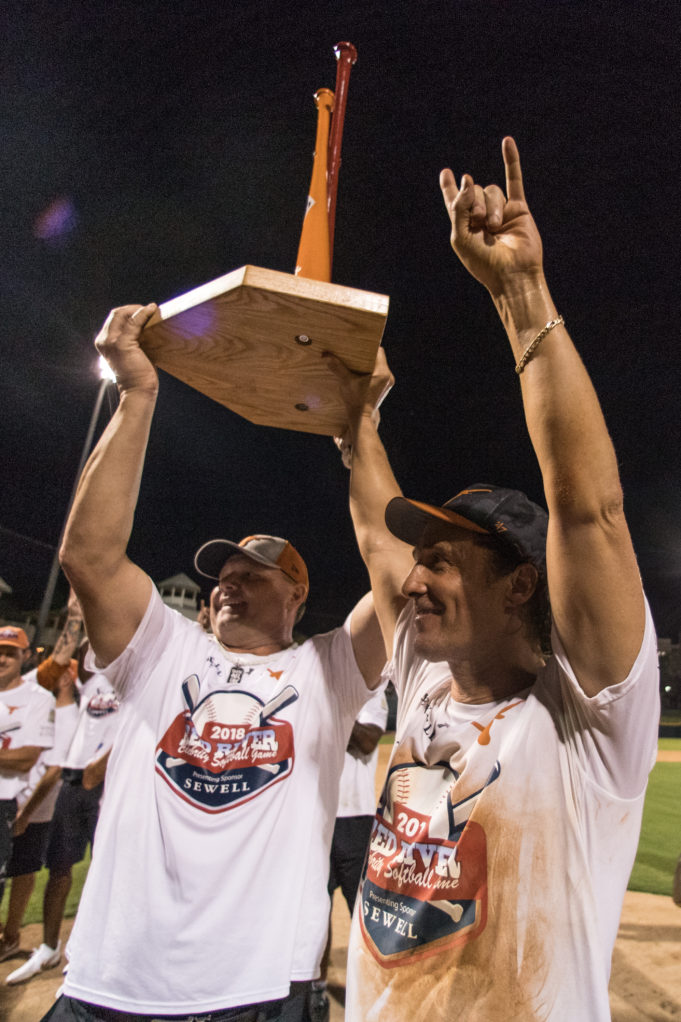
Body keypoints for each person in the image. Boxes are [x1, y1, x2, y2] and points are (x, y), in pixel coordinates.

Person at [327, 138, 660, 1020]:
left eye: (441, 559)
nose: (411, 582)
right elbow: (372, 523)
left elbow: (586, 508)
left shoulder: (587, 718)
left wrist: (519, 295)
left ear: (519, 583)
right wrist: (355, 422)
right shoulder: (423, 675)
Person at [43, 299, 387, 1021]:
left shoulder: (323, 672)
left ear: (297, 591)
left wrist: (361, 432)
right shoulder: (166, 650)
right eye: (223, 575)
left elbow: (398, 579)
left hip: (257, 988)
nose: (228, 583)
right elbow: (89, 558)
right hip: (113, 983)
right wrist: (138, 395)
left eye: (253, 574)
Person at [6, 638, 121, 985]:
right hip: (72, 781)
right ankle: (49, 946)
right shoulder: (95, 679)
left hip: (108, 782)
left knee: (109, 872)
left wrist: (102, 763)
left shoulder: (140, 679)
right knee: (59, 868)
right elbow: (86, 650)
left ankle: (101, 955)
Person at [308, 683, 388, 1022]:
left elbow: (368, 739)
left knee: (366, 918)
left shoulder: (371, 692)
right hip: (316, 819)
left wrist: (329, 707)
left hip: (356, 820)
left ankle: (374, 992)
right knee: (314, 917)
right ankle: (317, 992)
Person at [0, 627, 55, 910]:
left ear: (25, 655)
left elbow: (26, 758)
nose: (2, 658)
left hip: (6, 802)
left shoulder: (39, 697)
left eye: (10, 653)